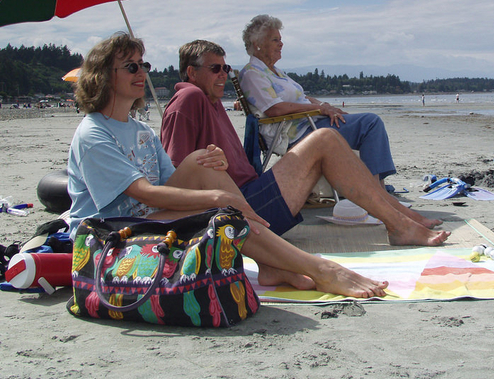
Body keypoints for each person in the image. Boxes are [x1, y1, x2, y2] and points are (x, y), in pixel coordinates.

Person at [66, 32, 390, 299]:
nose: (142, 73)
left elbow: (171, 184)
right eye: (131, 67)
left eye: (143, 65)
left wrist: (212, 169)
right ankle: (322, 269)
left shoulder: (139, 131)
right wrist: (216, 198)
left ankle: (273, 262)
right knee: (222, 212)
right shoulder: (94, 133)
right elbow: (148, 194)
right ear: (104, 77)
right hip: (111, 238)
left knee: (204, 163)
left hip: (147, 221)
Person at [160, 39, 450, 247]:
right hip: (240, 210)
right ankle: (399, 223)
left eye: (226, 68)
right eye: (214, 69)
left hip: (249, 196)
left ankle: (400, 217)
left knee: (329, 139)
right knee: (324, 139)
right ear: (191, 72)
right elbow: (176, 175)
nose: (223, 74)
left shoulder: (210, 102)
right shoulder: (189, 98)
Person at [238, 15, 396, 185]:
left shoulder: (274, 71)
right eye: (275, 39)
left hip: (311, 122)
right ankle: (374, 190)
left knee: (364, 123)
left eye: (280, 39)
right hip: (298, 133)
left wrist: (323, 105)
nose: (281, 44)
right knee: (370, 123)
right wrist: (319, 110)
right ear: (257, 44)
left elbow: (302, 97)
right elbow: (274, 109)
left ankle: (372, 187)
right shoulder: (253, 73)